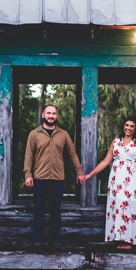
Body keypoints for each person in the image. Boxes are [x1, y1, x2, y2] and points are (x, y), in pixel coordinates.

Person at [80, 117, 136, 249]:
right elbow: (105, 161)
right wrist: (89, 175)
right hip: (116, 180)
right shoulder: (116, 142)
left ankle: (129, 241)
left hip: (132, 179)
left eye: (132, 126)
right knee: (117, 205)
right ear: (123, 126)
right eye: (126, 125)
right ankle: (119, 238)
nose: (128, 128)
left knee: (129, 206)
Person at [23, 104, 83, 246]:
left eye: (54, 113)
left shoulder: (63, 134)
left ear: (57, 116)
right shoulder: (34, 134)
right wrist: (27, 174)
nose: (51, 116)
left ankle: (55, 240)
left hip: (57, 178)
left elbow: (72, 155)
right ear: (43, 115)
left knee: (55, 211)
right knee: (39, 210)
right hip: (39, 178)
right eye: (48, 113)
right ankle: (38, 239)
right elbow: (28, 156)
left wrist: (79, 172)